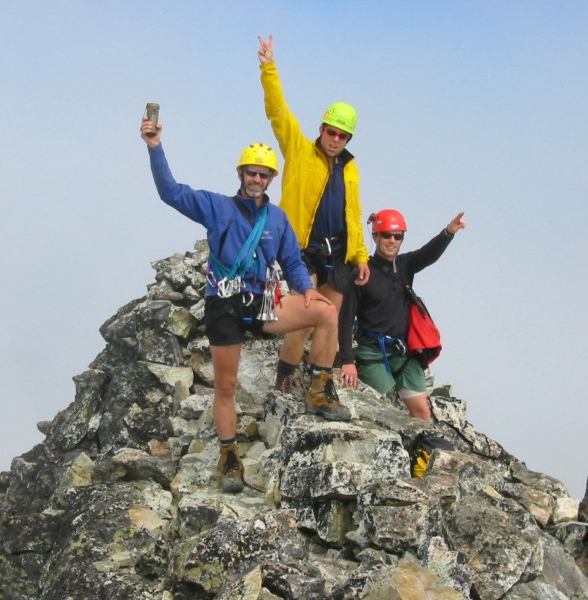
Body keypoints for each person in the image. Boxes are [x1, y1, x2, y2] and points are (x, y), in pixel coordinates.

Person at [140, 116, 352, 494]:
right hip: (224, 304)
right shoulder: (215, 207)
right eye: (251, 173)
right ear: (240, 173)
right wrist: (155, 147)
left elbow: (292, 263)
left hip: (261, 302)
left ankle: (319, 388)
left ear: (271, 178)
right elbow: (170, 192)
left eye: (264, 175)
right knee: (226, 385)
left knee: (326, 311)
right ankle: (229, 457)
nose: (257, 180)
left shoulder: (278, 218)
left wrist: (307, 290)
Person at [257, 34, 370, 393]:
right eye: (331, 131)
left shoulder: (350, 169)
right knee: (304, 319)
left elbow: (355, 212)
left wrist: (361, 255)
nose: (336, 139)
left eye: (343, 135)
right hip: (301, 249)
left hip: (339, 254)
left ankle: (321, 386)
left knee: (331, 319)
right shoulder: (299, 150)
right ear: (321, 128)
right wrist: (268, 67)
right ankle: (286, 375)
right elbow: (277, 112)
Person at [338, 209, 467, 421]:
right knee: (386, 414)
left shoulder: (405, 265)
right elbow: (345, 319)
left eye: (398, 236)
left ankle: (424, 452)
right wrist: (347, 361)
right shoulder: (362, 273)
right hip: (373, 354)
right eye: (386, 235)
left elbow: (428, 254)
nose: (392, 241)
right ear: (375, 236)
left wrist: (448, 232)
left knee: (422, 412)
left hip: (403, 353)